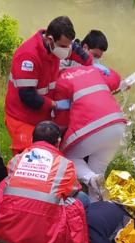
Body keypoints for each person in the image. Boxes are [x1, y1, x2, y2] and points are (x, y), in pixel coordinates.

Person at [0, 121, 89, 243]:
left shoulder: (17, 159)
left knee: (4, 187)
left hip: (9, 242)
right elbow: (73, 189)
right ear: (58, 142)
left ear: (32, 139)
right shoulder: (64, 165)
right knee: (81, 199)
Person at [5, 16, 92, 155]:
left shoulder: (58, 45)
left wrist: (93, 65)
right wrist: (55, 105)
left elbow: (75, 50)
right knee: (29, 156)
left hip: (42, 115)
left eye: (67, 46)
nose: (66, 50)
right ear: (50, 39)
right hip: (22, 116)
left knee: (50, 154)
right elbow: (27, 96)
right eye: (63, 46)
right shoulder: (29, 56)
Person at [53, 64, 127, 201]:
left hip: (91, 127)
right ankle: (97, 211)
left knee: (67, 157)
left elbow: (62, 120)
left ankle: (89, 178)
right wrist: (102, 67)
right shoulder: (92, 69)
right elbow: (115, 79)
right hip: (117, 124)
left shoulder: (61, 80)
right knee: (98, 172)